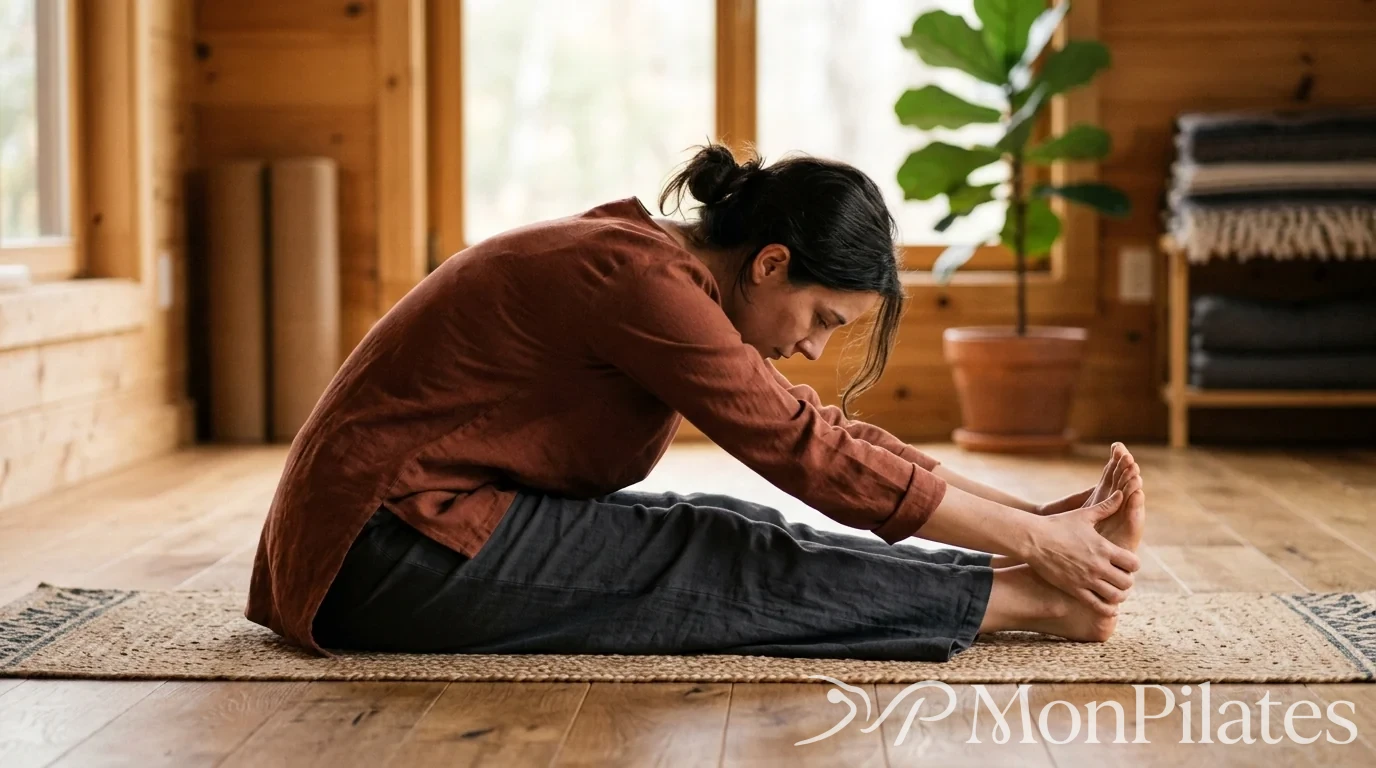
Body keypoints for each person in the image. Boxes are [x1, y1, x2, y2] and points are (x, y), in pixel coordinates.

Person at [245, 144, 1146, 662]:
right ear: (769, 264)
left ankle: (1025, 586)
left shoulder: (654, 265)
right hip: (377, 555)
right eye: (822, 318)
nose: (813, 348)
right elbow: (808, 455)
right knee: (716, 554)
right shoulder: (639, 282)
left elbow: (822, 433)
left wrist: (1032, 516)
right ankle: (1029, 602)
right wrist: (1035, 542)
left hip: (408, 530)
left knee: (712, 520)